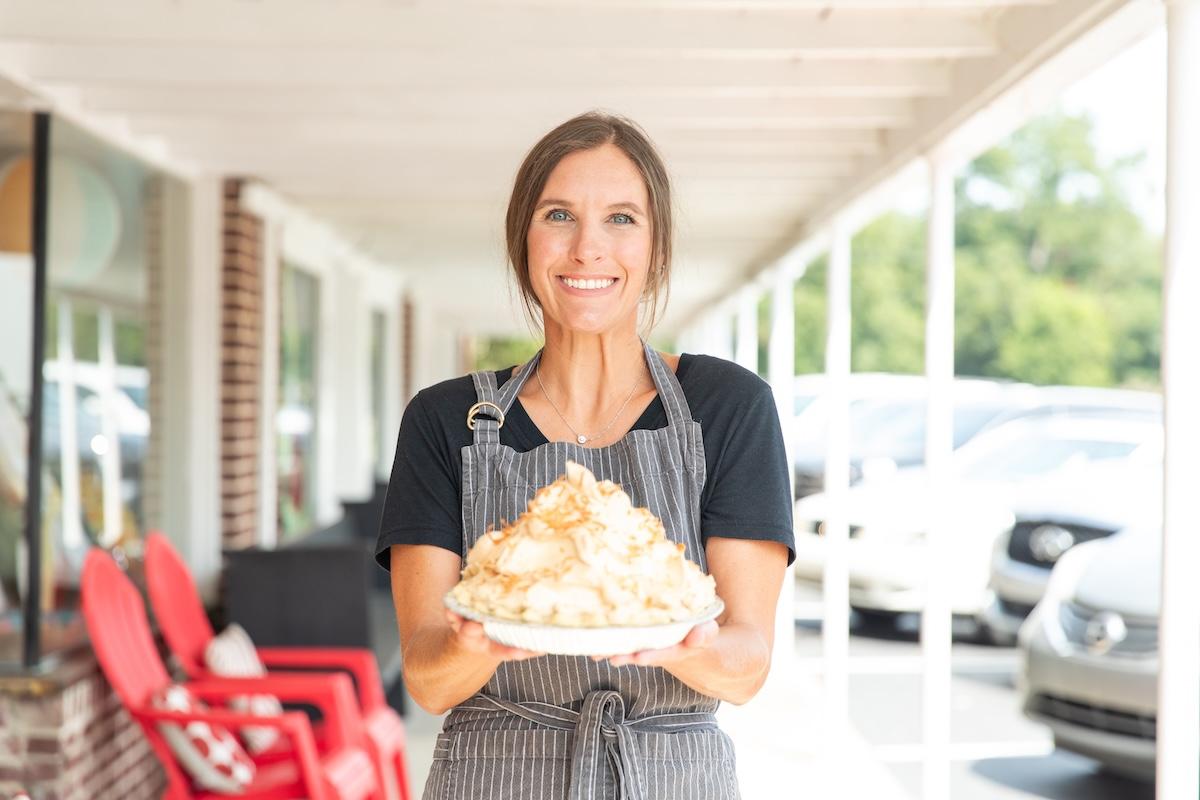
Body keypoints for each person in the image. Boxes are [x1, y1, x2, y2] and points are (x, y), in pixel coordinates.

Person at [376, 111, 794, 800]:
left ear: (657, 249)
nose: (588, 249)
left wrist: (689, 645)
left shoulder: (727, 407)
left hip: (672, 778)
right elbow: (426, 679)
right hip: (493, 775)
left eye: (622, 219)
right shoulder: (446, 419)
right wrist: (469, 646)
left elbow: (747, 666)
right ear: (524, 242)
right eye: (560, 215)